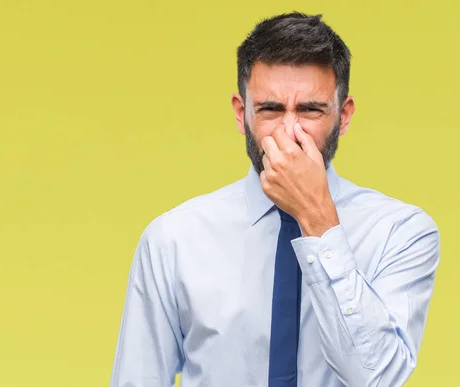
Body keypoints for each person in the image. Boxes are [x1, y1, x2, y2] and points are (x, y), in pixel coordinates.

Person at [110, 12, 440, 387]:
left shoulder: (401, 233)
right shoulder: (173, 240)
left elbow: (375, 378)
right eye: (270, 109)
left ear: (344, 116)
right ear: (241, 113)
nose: (289, 130)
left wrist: (316, 219)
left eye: (310, 110)